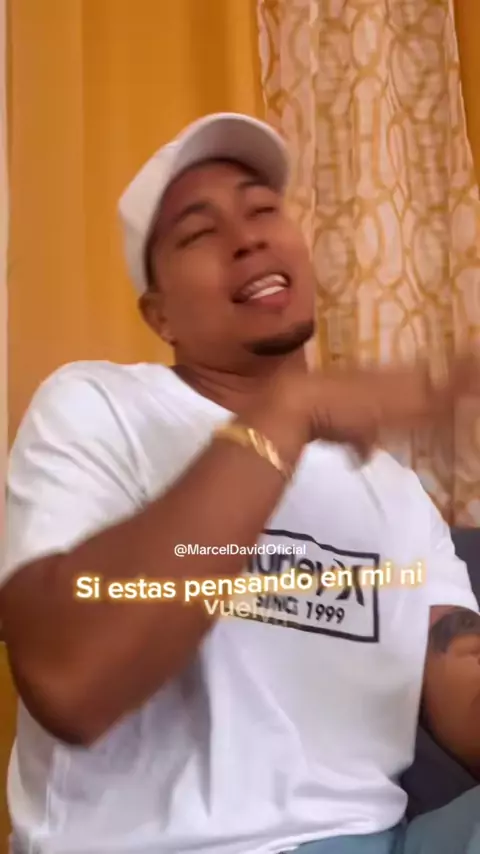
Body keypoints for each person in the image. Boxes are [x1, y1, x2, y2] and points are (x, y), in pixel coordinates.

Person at [1, 112, 480, 854]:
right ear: (159, 314)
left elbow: (459, 677)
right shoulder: (97, 406)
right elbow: (70, 678)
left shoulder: (392, 490)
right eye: (199, 232)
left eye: (263, 211)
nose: (249, 238)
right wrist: (284, 413)